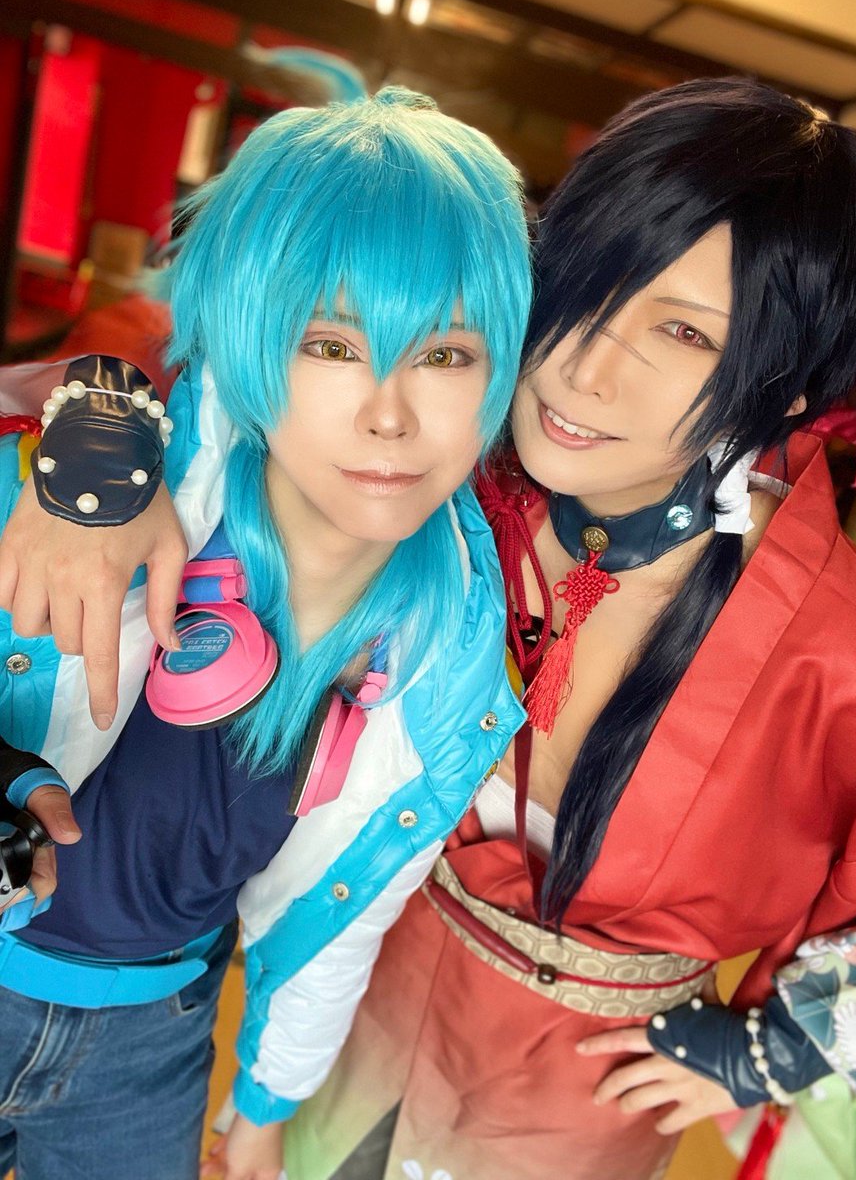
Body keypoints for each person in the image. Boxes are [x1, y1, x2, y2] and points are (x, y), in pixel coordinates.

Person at [4, 78, 856, 1180]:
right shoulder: (450, 484)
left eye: (681, 331)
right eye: (585, 286)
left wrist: (779, 1049)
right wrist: (100, 425)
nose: (584, 369)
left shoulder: (845, 653)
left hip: (569, 1096)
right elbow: (238, 341)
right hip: (354, 1008)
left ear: (792, 383)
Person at [0, 85, 531, 1180]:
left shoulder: (447, 659)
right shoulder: (91, 489)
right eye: (330, 345)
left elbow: (340, 914)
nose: (389, 414)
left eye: (444, 356)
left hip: (148, 1048)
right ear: (248, 337)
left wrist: (266, 1101)